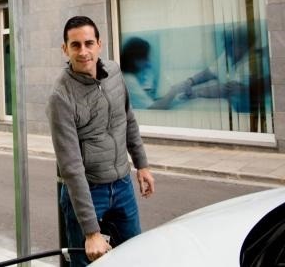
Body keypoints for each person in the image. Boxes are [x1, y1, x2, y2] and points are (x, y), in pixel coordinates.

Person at [46, 16, 155, 266]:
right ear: (65, 49)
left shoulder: (114, 72)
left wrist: (142, 165)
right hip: (88, 192)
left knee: (134, 256)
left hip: (123, 185)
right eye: (75, 45)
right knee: (86, 262)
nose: (83, 52)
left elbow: (127, 120)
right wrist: (91, 232)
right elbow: (71, 167)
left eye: (88, 43)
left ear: (99, 44)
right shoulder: (61, 96)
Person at [120, 37, 191, 110]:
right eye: (146, 58)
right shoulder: (128, 80)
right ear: (136, 59)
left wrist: (176, 98)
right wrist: (174, 91)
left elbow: (149, 102)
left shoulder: (127, 76)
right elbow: (154, 107)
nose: (147, 62)